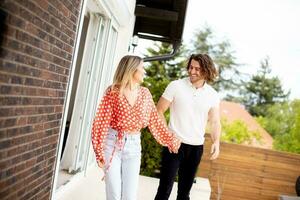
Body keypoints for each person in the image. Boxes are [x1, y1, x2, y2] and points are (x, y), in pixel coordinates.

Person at [91, 55, 181, 200]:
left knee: (129, 196)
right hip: (112, 143)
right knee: (114, 193)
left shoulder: (145, 93)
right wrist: (99, 150)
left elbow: (154, 120)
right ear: (132, 70)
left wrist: (170, 140)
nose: (144, 72)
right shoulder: (113, 91)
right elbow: (101, 121)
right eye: (142, 68)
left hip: (133, 147)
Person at [154, 54, 222, 200]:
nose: (192, 71)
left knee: (184, 194)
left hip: (196, 148)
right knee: (164, 189)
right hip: (173, 144)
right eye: (191, 67)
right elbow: (159, 110)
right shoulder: (176, 86)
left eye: (197, 69)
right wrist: (168, 136)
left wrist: (216, 142)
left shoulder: (212, 95)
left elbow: (215, 121)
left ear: (206, 70)